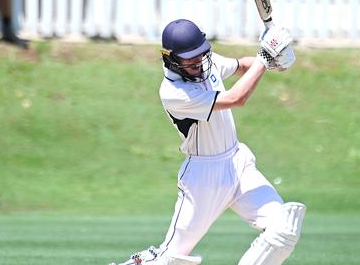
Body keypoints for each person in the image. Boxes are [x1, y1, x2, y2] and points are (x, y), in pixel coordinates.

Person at [108, 19, 305, 265]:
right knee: (170, 259)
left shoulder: (202, 63)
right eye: (189, 59)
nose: (198, 63)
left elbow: (243, 66)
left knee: (283, 228)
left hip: (238, 164)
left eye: (201, 55)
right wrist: (265, 56)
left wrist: (274, 61)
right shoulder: (174, 92)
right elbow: (236, 98)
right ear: (170, 59)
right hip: (204, 177)